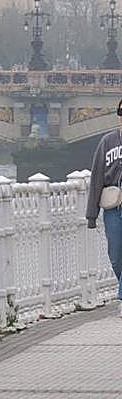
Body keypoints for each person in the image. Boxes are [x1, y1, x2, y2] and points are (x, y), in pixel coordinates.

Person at [86, 99, 122, 316]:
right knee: (116, 253)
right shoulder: (107, 143)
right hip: (113, 208)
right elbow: (96, 177)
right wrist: (91, 215)